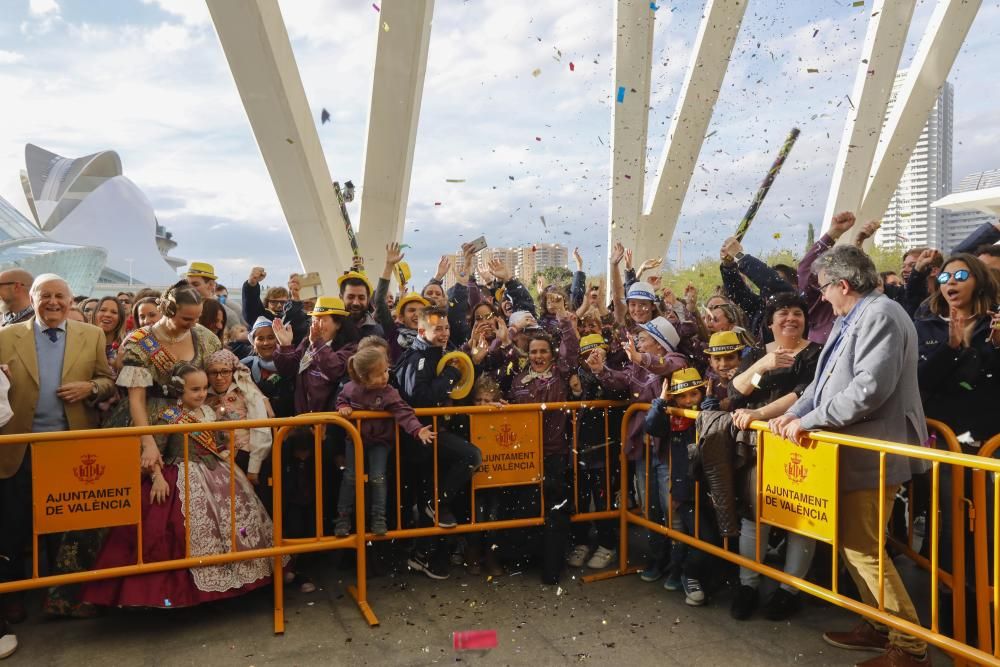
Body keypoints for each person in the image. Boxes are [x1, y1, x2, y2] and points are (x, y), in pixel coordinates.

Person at [771, 245, 931, 667]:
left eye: (824, 288)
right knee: (853, 541)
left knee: (863, 546)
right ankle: (880, 624)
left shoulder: (880, 315)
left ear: (843, 284)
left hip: (873, 450)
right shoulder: (854, 317)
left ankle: (910, 646)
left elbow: (868, 390)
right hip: (853, 449)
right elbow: (823, 385)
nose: (821, 297)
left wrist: (808, 421)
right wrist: (793, 413)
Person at [83, 363, 277, 609]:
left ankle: (239, 580)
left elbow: (219, 442)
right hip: (180, 474)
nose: (202, 394)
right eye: (195, 389)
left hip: (218, 473)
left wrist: (229, 455)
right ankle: (177, 593)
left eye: (205, 388)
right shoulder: (168, 416)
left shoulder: (209, 412)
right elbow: (155, 451)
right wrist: (157, 477)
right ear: (178, 390)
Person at [0, 273, 116, 653]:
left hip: (70, 445)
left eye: (60, 296)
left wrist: (90, 388)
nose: (53, 302)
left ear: (71, 302)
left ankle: (63, 595)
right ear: (31, 298)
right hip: (19, 445)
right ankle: (14, 594)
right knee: (14, 522)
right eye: (45, 295)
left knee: (67, 523)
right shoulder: (5, 337)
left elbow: (107, 381)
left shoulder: (92, 336)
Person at [728, 292, 822, 622]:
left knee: (800, 519)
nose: (790, 319)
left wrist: (761, 415)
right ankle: (748, 585)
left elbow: (804, 394)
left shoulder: (815, 355)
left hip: (799, 445)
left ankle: (790, 590)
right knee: (755, 516)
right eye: (782, 313)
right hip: (759, 447)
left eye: (797, 312)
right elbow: (738, 390)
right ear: (770, 322)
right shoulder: (758, 353)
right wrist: (762, 365)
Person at [396, 306, 483, 579]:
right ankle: (435, 508)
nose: (444, 333)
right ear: (422, 331)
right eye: (438, 329)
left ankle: (422, 555)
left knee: (429, 499)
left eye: (446, 328)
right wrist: (450, 377)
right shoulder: (418, 358)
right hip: (420, 438)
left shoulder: (442, 354)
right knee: (471, 457)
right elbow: (419, 397)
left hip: (434, 434)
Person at [507, 304, 579, 584]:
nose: (538, 356)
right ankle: (528, 560)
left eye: (543, 351)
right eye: (534, 351)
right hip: (525, 456)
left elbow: (570, 350)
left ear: (551, 354)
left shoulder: (561, 373)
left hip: (554, 454)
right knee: (527, 508)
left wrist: (563, 321)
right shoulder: (518, 378)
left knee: (555, 511)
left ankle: (553, 568)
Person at [335, 343, 434, 537]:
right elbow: (341, 399)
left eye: (386, 371)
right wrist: (343, 407)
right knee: (350, 477)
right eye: (379, 374)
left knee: (378, 478)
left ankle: (378, 517)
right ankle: (342, 518)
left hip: (380, 442)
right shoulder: (350, 388)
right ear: (363, 377)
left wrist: (417, 430)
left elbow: (403, 411)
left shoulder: (389, 392)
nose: (385, 377)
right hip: (354, 439)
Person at [644, 368, 718, 607]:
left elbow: (713, 428)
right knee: (700, 537)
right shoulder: (672, 418)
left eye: (693, 395)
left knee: (705, 536)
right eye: (682, 397)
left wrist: (709, 403)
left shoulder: (707, 411)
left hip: (711, 491)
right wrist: (660, 403)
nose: (688, 401)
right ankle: (687, 575)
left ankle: (689, 575)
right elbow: (651, 427)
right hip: (686, 493)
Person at [915, 253, 1000, 448]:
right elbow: (921, 380)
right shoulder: (925, 324)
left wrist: (997, 346)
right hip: (940, 438)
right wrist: (950, 348)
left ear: (979, 281)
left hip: (990, 442)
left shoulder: (994, 322)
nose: (951, 282)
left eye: (961, 276)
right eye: (944, 278)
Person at [205, 349, 273, 503]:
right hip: (217, 461)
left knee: (253, 501)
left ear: (233, 371)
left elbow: (260, 429)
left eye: (225, 371)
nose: (219, 377)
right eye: (213, 373)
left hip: (246, 456)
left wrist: (253, 468)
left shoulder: (246, 393)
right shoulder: (204, 397)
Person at [242, 317, 295, 418]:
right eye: (260, 339)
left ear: (278, 339)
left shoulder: (291, 360)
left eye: (271, 337)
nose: (266, 343)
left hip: (289, 425)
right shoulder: (245, 366)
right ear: (253, 344)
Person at [186, 261, 244, 327]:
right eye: (187, 284)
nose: (189, 288)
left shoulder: (228, 315)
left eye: (195, 284)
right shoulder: (183, 309)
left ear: (211, 285)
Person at [338, 270, 384, 339]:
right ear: (341, 298)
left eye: (361, 298)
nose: (356, 303)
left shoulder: (378, 332)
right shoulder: (332, 329)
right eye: (350, 297)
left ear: (368, 300)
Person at [92, 296, 126, 367]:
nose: (107, 315)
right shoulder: (83, 343)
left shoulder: (126, 348)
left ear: (120, 319)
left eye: (114, 312)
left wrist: (119, 368)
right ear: (95, 314)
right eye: (103, 310)